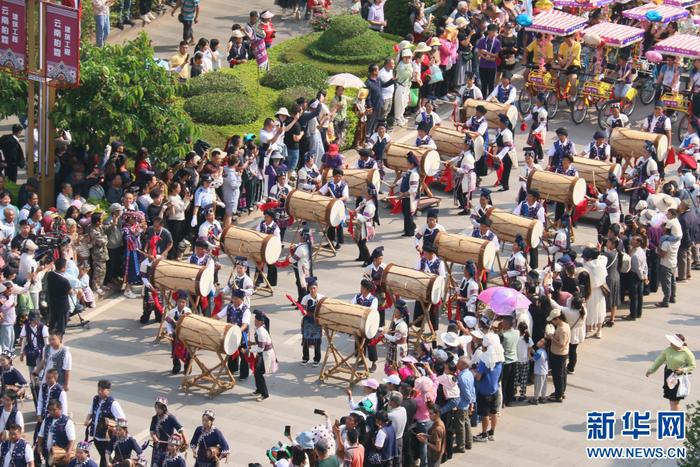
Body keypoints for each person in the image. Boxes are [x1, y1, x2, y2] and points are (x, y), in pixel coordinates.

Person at [646, 334, 696, 411]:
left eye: (673, 342)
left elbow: (692, 366)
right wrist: (651, 370)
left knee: (674, 401)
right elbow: (659, 360)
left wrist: (683, 370)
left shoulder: (687, 353)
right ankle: (676, 415)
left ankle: (675, 418)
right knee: (672, 400)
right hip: (669, 375)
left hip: (679, 378)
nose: (670, 344)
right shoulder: (668, 350)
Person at [85, 379, 126, 467]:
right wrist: (87, 419)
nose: (99, 392)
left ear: (108, 390)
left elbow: (122, 419)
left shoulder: (113, 403)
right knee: (104, 456)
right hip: (96, 437)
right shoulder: (96, 399)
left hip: (106, 439)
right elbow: (91, 411)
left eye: (102, 390)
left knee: (104, 457)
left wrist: (115, 428)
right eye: (98, 389)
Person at [473, 333, 503, 442]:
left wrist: (475, 372)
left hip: (484, 391)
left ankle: (484, 434)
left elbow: (479, 377)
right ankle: (492, 432)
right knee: (494, 412)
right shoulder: (500, 357)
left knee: (485, 414)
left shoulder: (484, 360)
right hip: (495, 389)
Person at [216, 289, 250, 378]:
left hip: (242, 336)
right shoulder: (229, 307)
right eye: (232, 298)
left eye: (235, 298)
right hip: (230, 335)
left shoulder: (246, 310)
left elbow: (245, 325)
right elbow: (219, 316)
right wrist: (208, 320)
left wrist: (237, 330)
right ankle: (233, 369)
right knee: (230, 352)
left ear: (240, 299)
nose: (233, 300)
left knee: (244, 355)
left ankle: (244, 374)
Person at [149, 396, 186, 467]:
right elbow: (152, 431)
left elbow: (180, 429)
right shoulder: (154, 418)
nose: (157, 410)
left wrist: (185, 440)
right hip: (157, 447)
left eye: (159, 408)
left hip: (169, 446)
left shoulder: (170, 418)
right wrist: (154, 438)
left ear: (164, 408)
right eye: (156, 407)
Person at [37, 399, 76, 466]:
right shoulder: (46, 420)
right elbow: (41, 434)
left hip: (61, 455)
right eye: (49, 410)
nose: (51, 412)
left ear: (60, 408)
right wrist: (39, 446)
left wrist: (68, 454)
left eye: (54, 409)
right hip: (48, 454)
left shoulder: (67, 422)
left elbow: (72, 440)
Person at [351, 280, 379, 371]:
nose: (360, 289)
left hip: (370, 326)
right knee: (359, 343)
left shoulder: (373, 299)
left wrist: (358, 310)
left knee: (371, 344)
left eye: (362, 288)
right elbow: (351, 306)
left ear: (367, 289)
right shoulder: (357, 297)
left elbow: (371, 312)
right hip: (359, 325)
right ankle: (362, 359)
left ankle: (374, 363)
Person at [319, 169, 349, 250]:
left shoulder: (344, 185)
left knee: (339, 225)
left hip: (339, 208)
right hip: (330, 207)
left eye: (340, 176)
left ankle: (338, 243)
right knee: (330, 224)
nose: (338, 178)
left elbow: (345, 196)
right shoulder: (329, 184)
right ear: (333, 176)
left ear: (342, 177)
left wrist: (338, 200)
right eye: (336, 176)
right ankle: (330, 242)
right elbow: (321, 192)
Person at [251, 310, 277, 402]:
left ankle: (264, 394)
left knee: (259, 373)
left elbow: (261, 348)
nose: (255, 321)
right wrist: (253, 343)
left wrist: (248, 350)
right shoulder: (260, 329)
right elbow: (260, 344)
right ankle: (259, 389)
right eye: (255, 319)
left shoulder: (261, 332)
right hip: (262, 354)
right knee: (256, 372)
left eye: (256, 320)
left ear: (261, 322)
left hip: (265, 355)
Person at [545, 308, 570, 402]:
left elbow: (561, 344)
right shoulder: (563, 325)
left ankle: (558, 395)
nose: (553, 322)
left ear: (558, 318)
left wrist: (551, 337)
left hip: (559, 354)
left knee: (558, 375)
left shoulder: (563, 329)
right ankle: (561, 391)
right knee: (562, 373)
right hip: (561, 353)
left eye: (553, 320)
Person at [300, 277, 324, 367]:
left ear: (317, 288)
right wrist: (303, 312)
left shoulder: (322, 298)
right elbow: (302, 309)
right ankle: (305, 358)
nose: (312, 290)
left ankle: (317, 359)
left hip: (317, 321)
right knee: (306, 341)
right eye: (310, 288)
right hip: (307, 321)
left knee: (317, 341)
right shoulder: (305, 298)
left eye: (314, 288)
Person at [352, 185, 378, 267]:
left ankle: (368, 260)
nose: (364, 193)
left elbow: (365, 218)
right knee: (358, 241)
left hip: (366, 226)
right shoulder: (366, 201)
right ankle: (362, 256)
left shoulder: (370, 206)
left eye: (366, 192)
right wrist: (355, 211)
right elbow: (360, 207)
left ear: (370, 195)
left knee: (362, 243)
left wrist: (356, 215)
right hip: (361, 224)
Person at [45, 258, 72, 335]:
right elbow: (70, 292)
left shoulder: (50, 275)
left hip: (52, 303)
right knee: (61, 326)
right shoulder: (64, 281)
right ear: (63, 268)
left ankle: (51, 338)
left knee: (52, 322)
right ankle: (58, 341)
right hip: (62, 306)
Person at [398, 153, 420, 237]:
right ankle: (412, 226)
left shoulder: (414, 174)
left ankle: (409, 232)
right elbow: (402, 179)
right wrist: (395, 184)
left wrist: (404, 194)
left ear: (412, 164)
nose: (406, 164)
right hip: (405, 196)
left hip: (409, 198)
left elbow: (413, 189)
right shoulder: (409, 171)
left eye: (407, 162)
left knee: (408, 214)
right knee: (406, 213)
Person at [626, 236, 648, 321]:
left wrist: (642, 277)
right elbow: (645, 265)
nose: (631, 241)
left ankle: (633, 314)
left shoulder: (636, 255)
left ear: (638, 242)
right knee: (639, 295)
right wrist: (645, 275)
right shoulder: (641, 251)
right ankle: (638, 313)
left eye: (633, 240)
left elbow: (637, 268)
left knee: (634, 296)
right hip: (641, 275)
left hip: (635, 276)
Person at [383, 300, 409, 371]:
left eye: (396, 312)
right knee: (392, 367)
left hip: (398, 349)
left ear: (401, 315)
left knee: (397, 367)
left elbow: (395, 339)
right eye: (395, 311)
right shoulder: (397, 322)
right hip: (394, 347)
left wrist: (385, 335)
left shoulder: (401, 326)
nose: (394, 313)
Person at [476, 24, 501, 96]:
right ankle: (483, 98)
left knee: (491, 84)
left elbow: (496, 55)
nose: (495, 33)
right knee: (483, 84)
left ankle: (490, 98)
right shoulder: (482, 41)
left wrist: (487, 53)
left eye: (496, 31)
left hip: (492, 66)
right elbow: (478, 52)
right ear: (489, 31)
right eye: (494, 31)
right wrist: (484, 57)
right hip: (483, 65)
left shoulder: (497, 42)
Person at [493, 113, 515, 191]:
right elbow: (497, 140)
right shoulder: (501, 130)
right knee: (500, 169)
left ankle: (505, 186)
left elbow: (507, 147)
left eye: (500, 122)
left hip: (507, 155)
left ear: (503, 124)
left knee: (506, 170)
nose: (498, 123)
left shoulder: (507, 133)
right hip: (501, 153)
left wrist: (499, 156)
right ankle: (501, 181)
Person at [529, 338, 548, 404]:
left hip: (539, 372)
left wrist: (528, 353)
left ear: (543, 345)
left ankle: (535, 399)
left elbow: (532, 359)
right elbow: (538, 356)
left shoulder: (539, 352)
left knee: (538, 386)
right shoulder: (543, 351)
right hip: (544, 371)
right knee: (543, 386)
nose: (539, 341)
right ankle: (543, 397)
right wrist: (533, 351)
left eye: (541, 341)